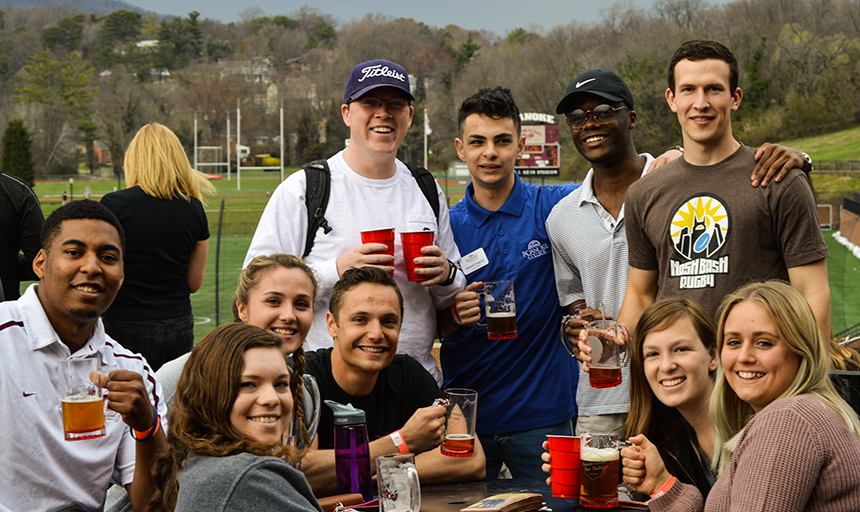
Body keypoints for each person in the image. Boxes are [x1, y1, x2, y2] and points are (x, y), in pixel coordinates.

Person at [546, 69, 810, 435]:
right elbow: (578, 303)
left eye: (604, 111)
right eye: (578, 117)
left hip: (688, 383)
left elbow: (725, 165)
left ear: (631, 118)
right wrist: (577, 325)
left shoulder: (672, 181)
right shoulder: (560, 216)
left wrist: (801, 158)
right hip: (607, 393)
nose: (590, 123)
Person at [244, 59, 465, 383]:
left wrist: (446, 275)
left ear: (410, 116)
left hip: (415, 386)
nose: (383, 113)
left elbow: (451, 297)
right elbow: (256, 286)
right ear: (347, 113)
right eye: (370, 103)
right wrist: (337, 269)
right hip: (325, 385)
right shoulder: (307, 188)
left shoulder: (425, 188)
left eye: (395, 104)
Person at [618, 40, 830, 340]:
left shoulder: (778, 178)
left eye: (713, 89)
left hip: (754, 374)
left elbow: (812, 294)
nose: (700, 102)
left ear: (735, 98)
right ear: (671, 98)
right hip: (678, 377)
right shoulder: (643, 193)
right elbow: (640, 295)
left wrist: (812, 380)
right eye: (688, 89)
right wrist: (616, 342)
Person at [105, 253, 322, 511]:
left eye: (301, 304)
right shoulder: (185, 377)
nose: (288, 315)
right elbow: (154, 490)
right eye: (273, 301)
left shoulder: (300, 392)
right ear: (242, 308)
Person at [440, 86, 579, 479]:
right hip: (467, 412)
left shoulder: (552, 205)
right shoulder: (445, 227)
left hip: (542, 410)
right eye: (477, 142)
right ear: (460, 148)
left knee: (557, 509)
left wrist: (660, 159)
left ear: (520, 146)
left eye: (502, 141)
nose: (490, 153)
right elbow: (427, 321)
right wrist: (454, 315)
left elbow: (616, 185)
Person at [624, 280, 860, 511]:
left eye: (764, 343)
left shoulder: (786, 420)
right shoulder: (800, 412)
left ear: (801, 349)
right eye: (734, 342)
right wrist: (663, 486)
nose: (744, 357)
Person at [0, 200, 166, 512]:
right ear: (40, 263)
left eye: (107, 257)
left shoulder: (131, 371)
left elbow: (155, 507)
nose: (92, 267)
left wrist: (146, 426)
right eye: (74, 253)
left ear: (121, 275)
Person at [303, 266, 485, 496]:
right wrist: (403, 441)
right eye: (360, 320)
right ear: (332, 324)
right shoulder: (303, 378)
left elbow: (471, 458)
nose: (376, 334)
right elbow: (299, 471)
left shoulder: (409, 374)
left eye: (388, 321)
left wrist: (380, 474)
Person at [542, 298, 720, 497]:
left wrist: (664, 486)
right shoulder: (661, 436)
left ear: (713, 356)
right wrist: (585, 474)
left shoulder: (749, 429)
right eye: (653, 354)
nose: (666, 366)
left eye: (681, 349)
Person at [147, 322, 322, 512]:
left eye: (280, 384)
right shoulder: (246, 476)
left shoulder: (201, 463)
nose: (271, 399)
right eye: (248, 384)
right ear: (209, 395)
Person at [100, 122, 214, 371]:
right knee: (171, 403)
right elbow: (194, 283)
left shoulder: (114, 205)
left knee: (123, 403)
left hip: (125, 323)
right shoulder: (194, 208)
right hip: (178, 325)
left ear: (135, 159)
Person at [0, 171, 44, 300]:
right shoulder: (16, 190)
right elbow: (42, 260)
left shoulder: (17, 190)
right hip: (4, 310)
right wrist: (8, 265)